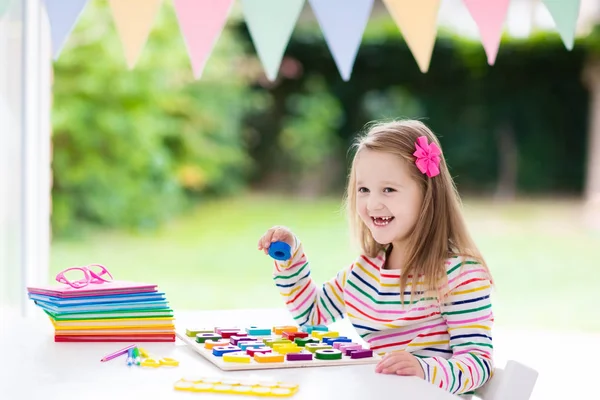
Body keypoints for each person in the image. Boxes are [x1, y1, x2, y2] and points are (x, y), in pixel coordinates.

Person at [257, 120, 494, 396]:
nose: (372, 204)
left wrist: (424, 370)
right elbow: (312, 314)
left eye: (389, 190)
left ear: (427, 194)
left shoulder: (460, 275)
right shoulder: (363, 273)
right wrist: (290, 258)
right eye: (363, 190)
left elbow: (478, 363)